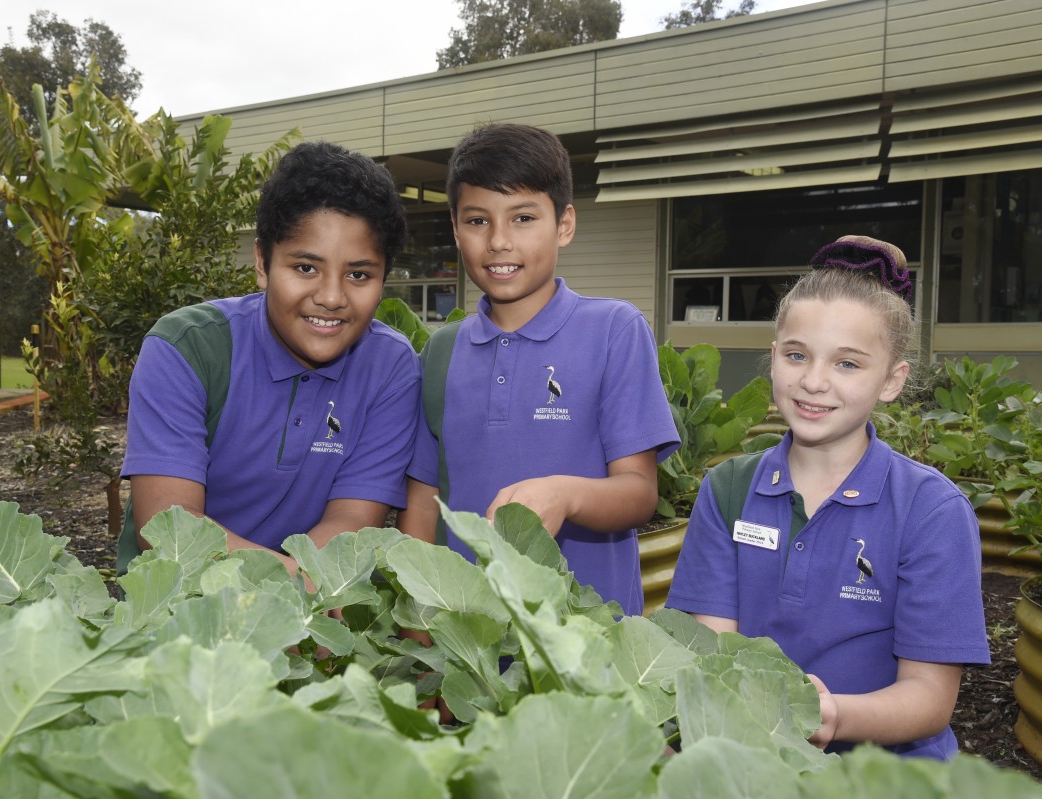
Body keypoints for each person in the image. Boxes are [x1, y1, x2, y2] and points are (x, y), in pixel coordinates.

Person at [665, 235, 989, 759]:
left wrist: (830, 713)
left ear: (892, 379)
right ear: (773, 358)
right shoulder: (728, 488)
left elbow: (930, 700)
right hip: (754, 759)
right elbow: (711, 653)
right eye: (797, 355)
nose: (814, 381)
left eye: (847, 364)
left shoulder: (931, 510)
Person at [397, 123, 680, 616]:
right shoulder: (442, 351)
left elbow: (639, 494)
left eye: (523, 217)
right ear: (456, 228)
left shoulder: (615, 330)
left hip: (590, 639)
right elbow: (423, 503)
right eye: (478, 220)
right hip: (470, 642)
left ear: (564, 224)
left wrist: (565, 495)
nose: (499, 241)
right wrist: (425, 631)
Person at [118, 140, 421, 575]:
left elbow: (351, 524)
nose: (332, 298)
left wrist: (296, 598)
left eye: (358, 274)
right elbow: (168, 531)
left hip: (310, 617)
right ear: (262, 262)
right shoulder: (187, 348)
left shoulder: (392, 369)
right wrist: (291, 583)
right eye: (305, 268)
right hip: (173, 614)